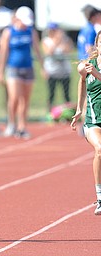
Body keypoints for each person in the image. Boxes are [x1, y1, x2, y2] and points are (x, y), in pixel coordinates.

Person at [0, 6, 45, 139]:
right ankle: (11, 124)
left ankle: (22, 126)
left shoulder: (30, 31)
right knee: (14, 98)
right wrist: (0, 71)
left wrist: (42, 67)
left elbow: (37, 49)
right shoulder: (9, 32)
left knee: (25, 99)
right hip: (13, 68)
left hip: (28, 68)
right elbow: (3, 52)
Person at [70, 30, 101, 215]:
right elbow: (82, 81)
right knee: (100, 149)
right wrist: (79, 108)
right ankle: (100, 197)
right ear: (97, 45)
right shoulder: (86, 66)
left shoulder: (94, 70)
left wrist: (97, 75)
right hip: (94, 121)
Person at [41, 22, 74, 111]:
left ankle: (69, 112)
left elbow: (67, 50)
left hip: (64, 71)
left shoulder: (66, 40)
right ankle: (49, 112)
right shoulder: (46, 41)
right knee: (51, 94)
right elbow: (48, 52)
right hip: (52, 71)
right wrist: (57, 41)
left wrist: (61, 40)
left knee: (66, 94)